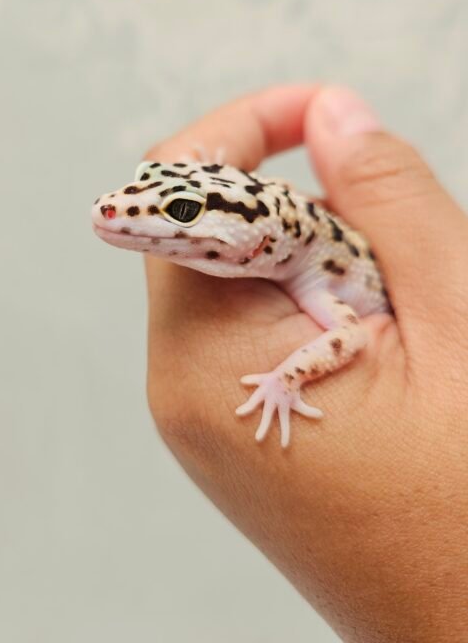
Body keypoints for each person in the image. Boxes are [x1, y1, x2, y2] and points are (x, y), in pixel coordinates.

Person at [144, 85, 468, 643]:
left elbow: (350, 337)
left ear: (258, 244)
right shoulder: (279, 218)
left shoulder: (319, 277)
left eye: (181, 213)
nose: (111, 209)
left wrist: (285, 378)